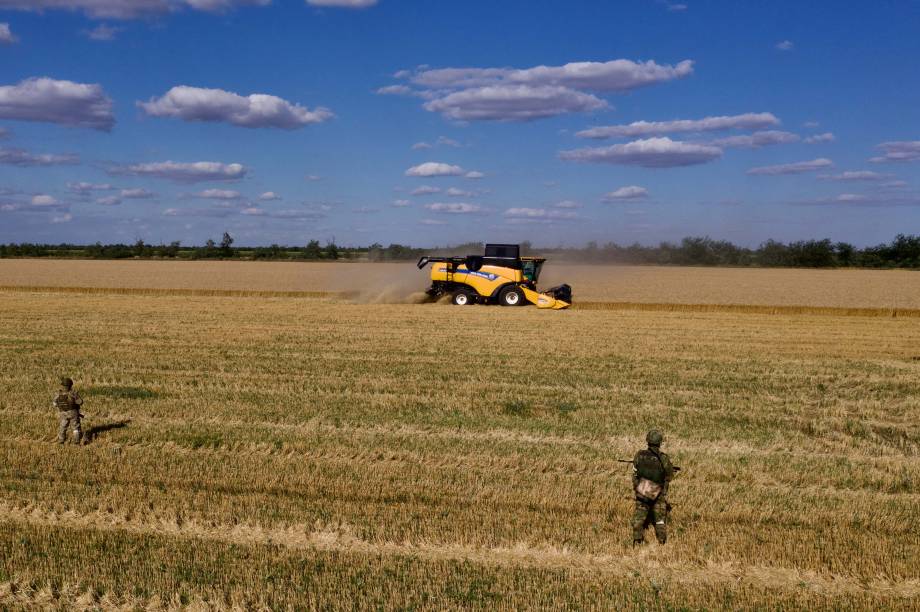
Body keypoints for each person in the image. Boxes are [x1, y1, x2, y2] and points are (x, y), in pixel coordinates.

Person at [631, 429, 675, 545]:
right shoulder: (663, 458)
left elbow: (635, 474)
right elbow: (669, 475)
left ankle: (637, 540)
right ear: (660, 442)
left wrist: (637, 487)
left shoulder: (639, 455)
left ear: (647, 441)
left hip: (643, 489)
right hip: (658, 491)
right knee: (660, 520)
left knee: (639, 518)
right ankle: (662, 542)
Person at [54, 377, 84, 445]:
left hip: (63, 413)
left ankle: (61, 440)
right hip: (73, 413)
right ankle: (77, 440)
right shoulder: (73, 393)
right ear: (70, 385)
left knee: (63, 426)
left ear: (62, 385)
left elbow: (55, 404)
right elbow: (80, 402)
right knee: (75, 427)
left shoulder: (58, 394)